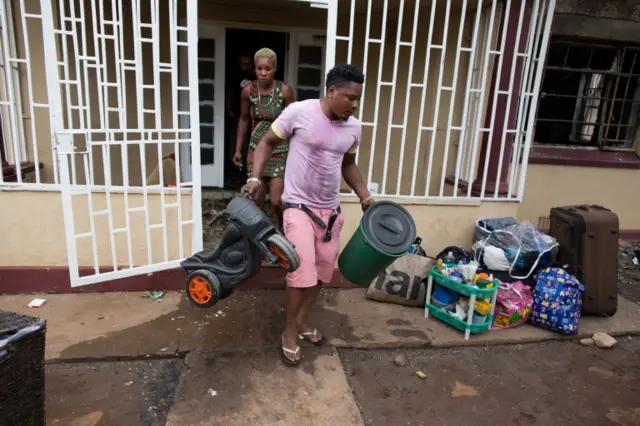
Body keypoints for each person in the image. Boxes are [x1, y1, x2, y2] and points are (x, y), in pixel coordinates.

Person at [242, 64, 375, 366]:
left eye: (358, 99)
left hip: (330, 213)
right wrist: (255, 177)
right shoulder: (299, 112)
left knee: (320, 276)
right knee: (300, 275)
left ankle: (302, 321)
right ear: (331, 91)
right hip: (298, 207)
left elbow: (347, 164)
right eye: (350, 98)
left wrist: (364, 195)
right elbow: (266, 142)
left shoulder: (354, 128)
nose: (355, 105)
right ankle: (289, 331)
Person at [233, 48, 294, 228]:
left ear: (275, 68)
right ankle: (260, 235)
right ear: (255, 69)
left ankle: (284, 229)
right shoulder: (248, 91)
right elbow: (244, 119)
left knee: (276, 201)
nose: (263, 73)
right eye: (259, 69)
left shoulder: (285, 91)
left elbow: (295, 121)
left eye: (267, 68)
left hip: (280, 150)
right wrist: (238, 149)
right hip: (256, 150)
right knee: (256, 199)